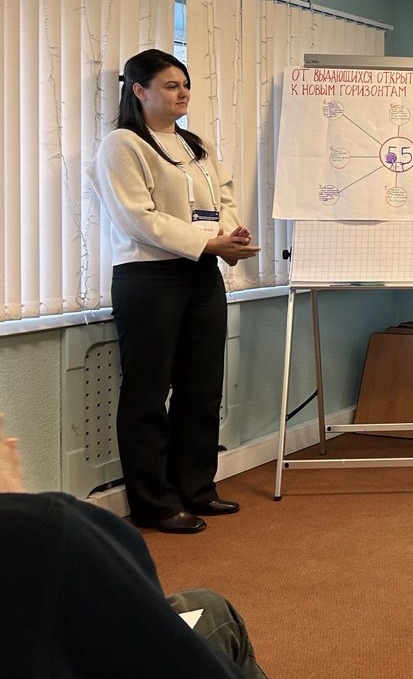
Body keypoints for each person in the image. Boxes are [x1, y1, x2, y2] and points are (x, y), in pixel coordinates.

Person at [91, 50, 259, 534]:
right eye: (170, 85)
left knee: (201, 389)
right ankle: (154, 503)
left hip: (202, 275)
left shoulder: (194, 143)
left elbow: (223, 198)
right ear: (139, 90)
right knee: (148, 394)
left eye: (185, 84)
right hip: (149, 279)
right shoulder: (122, 145)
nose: (182, 93)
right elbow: (136, 217)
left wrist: (230, 237)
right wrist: (208, 243)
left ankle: (196, 489)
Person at [0, 414, 269, 678]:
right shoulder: (51, 529)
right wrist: (13, 497)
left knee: (197, 602)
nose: (10, 440)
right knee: (215, 610)